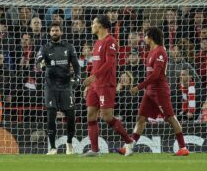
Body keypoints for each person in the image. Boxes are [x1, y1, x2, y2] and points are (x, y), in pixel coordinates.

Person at [127, 27, 189, 156]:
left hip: (159, 90)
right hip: (150, 91)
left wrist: (139, 86)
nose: (143, 38)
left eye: (145, 36)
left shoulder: (160, 52)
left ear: (150, 37)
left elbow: (156, 75)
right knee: (141, 118)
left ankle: (183, 147)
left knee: (171, 119)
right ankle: (130, 147)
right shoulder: (151, 51)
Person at [82, 15, 134, 157]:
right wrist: (90, 83)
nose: (91, 26)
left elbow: (110, 63)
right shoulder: (97, 42)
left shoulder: (110, 41)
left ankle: (129, 141)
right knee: (90, 115)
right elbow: (96, 64)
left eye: (93, 23)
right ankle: (95, 150)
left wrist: (94, 77)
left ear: (100, 26)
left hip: (106, 84)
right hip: (95, 85)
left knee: (107, 117)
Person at [36, 23, 80, 155]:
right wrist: (43, 65)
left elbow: (76, 65)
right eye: (52, 30)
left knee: (71, 116)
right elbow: (39, 61)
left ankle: (69, 143)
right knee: (51, 116)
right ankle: (53, 147)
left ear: (61, 32)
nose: (54, 32)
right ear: (49, 33)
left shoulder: (69, 47)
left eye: (57, 30)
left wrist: (77, 78)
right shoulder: (44, 48)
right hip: (51, 86)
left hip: (66, 85)